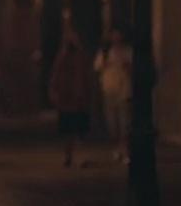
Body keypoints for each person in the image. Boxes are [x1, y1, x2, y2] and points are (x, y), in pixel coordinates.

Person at [49, 22, 94, 168]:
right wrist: (55, 91)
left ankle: (78, 156)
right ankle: (69, 156)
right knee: (68, 130)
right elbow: (56, 76)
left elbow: (86, 76)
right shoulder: (62, 57)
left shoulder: (81, 56)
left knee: (79, 130)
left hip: (78, 99)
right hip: (66, 99)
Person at [95, 26, 133, 164]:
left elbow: (132, 69)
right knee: (112, 123)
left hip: (124, 90)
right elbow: (97, 67)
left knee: (125, 123)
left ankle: (125, 151)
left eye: (119, 35)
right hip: (109, 90)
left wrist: (126, 67)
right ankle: (117, 149)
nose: (116, 38)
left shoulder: (128, 52)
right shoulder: (105, 53)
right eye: (114, 35)